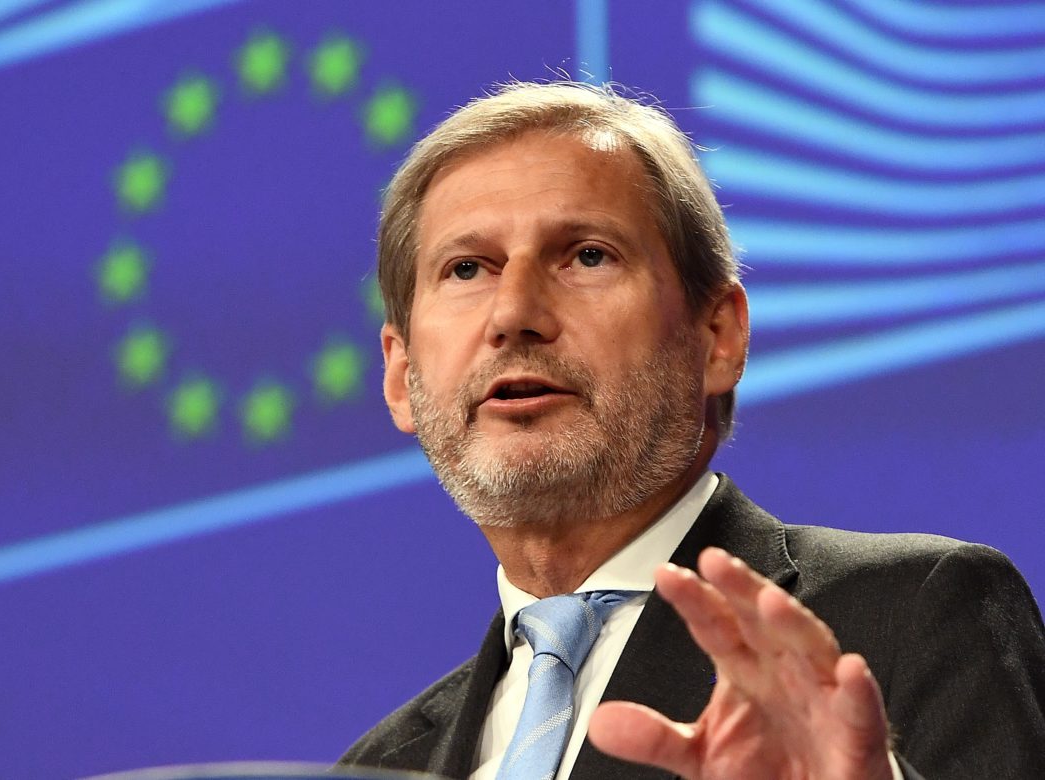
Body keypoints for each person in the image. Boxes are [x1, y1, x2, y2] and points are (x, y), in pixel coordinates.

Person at [339, 81, 1045, 779]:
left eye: (588, 255)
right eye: (466, 269)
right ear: (402, 375)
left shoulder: (912, 618)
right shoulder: (378, 766)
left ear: (717, 337)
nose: (514, 313)